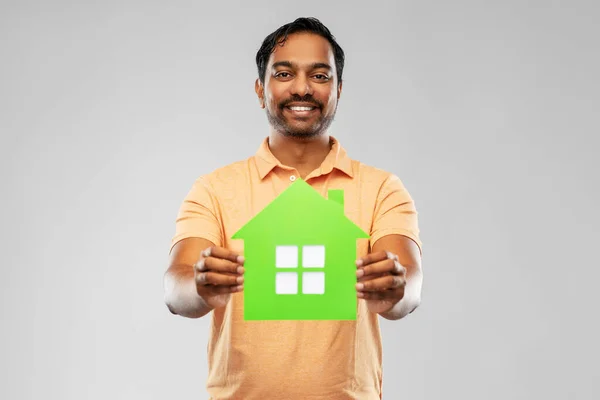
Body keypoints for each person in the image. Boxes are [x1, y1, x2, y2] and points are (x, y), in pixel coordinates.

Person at [163, 17, 423, 400]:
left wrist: (397, 291)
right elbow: (175, 286)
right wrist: (198, 286)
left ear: (338, 89)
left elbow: (410, 283)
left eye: (320, 75)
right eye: (284, 73)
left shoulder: (382, 188)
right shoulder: (214, 189)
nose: (301, 88)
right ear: (260, 88)